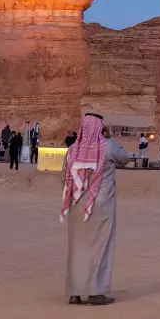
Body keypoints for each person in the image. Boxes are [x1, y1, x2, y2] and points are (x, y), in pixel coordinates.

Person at [61, 113, 131, 306]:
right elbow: (124, 158)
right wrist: (110, 137)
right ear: (100, 127)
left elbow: (64, 178)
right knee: (100, 247)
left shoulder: (72, 150)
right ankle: (95, 292)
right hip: (101, 206)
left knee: (77, 248)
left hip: (76, 207)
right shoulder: (107, 146)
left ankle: (74, 292)